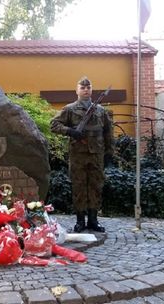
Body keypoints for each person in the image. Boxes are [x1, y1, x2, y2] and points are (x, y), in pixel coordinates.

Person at [50, 76, 114, 233]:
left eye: (88, 87)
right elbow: (54, 124)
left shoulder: (101, 111)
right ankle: (80, 221)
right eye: (82, 87)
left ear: (91, 90)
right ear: (77, 90)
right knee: (78, 187)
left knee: (96, 186)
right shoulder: (70, 109)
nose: (86, 90)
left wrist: (109, 153)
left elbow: (108, 133)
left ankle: (93, 220)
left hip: (97, 155)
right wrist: (70, 131)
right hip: (78, 155)